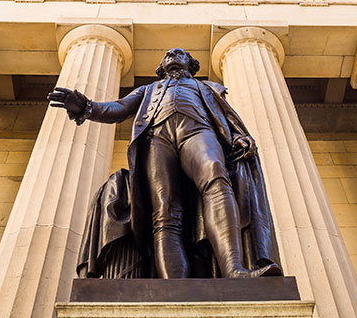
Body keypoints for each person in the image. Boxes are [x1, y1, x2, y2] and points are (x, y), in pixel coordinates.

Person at [48, 47, 281, 279]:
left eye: (179, 53)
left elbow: (226, 117)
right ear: (161, 67)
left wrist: (238, 136)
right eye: (168, 55)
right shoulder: (149, 89)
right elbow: (119, 107)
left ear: (191, 63)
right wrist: (87, 107)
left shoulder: (206, 87)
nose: (172, 55)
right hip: (157, 138)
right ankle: (174, 285)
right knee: (165, 210)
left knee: (216, 175)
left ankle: (234, 269)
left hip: (197, 130)